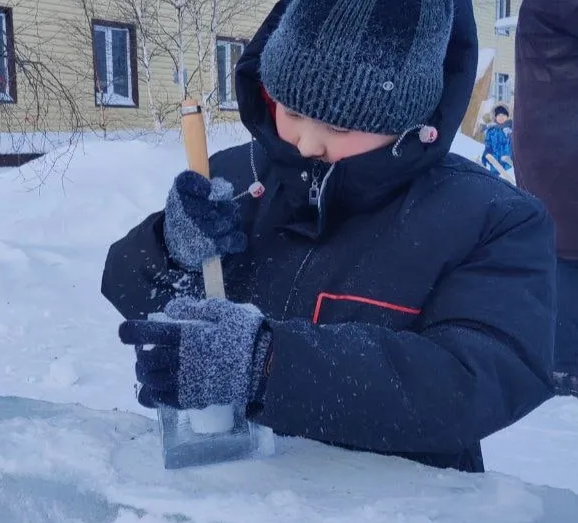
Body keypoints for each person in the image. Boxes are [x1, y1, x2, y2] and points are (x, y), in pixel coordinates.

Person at [102, 0, 557, 473]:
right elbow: (127, 287)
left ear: (410, 113)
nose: (307, 142)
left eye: (339, 125)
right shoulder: (238, 175)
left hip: (393, 512)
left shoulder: (490, 217)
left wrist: (271, 364)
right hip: (231, 494)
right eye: (292, 111)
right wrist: (172, 249)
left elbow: (477, 382)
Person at [513, 0, 578, 398]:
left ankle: (562, 362)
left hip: (554, 146)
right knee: (564, 255)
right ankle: (563, 366)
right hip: (560, 151)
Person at [481, 104, 513, 174]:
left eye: (503, 115)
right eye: (499, 115)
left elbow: (512, 146)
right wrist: (485, 155)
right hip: (494, 161)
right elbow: (488, 145)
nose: (501, 117)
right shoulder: (491, 130)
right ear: (495, 117)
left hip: (507, 163)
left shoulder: (510, 130)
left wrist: (509, 135)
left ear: (507, 116)